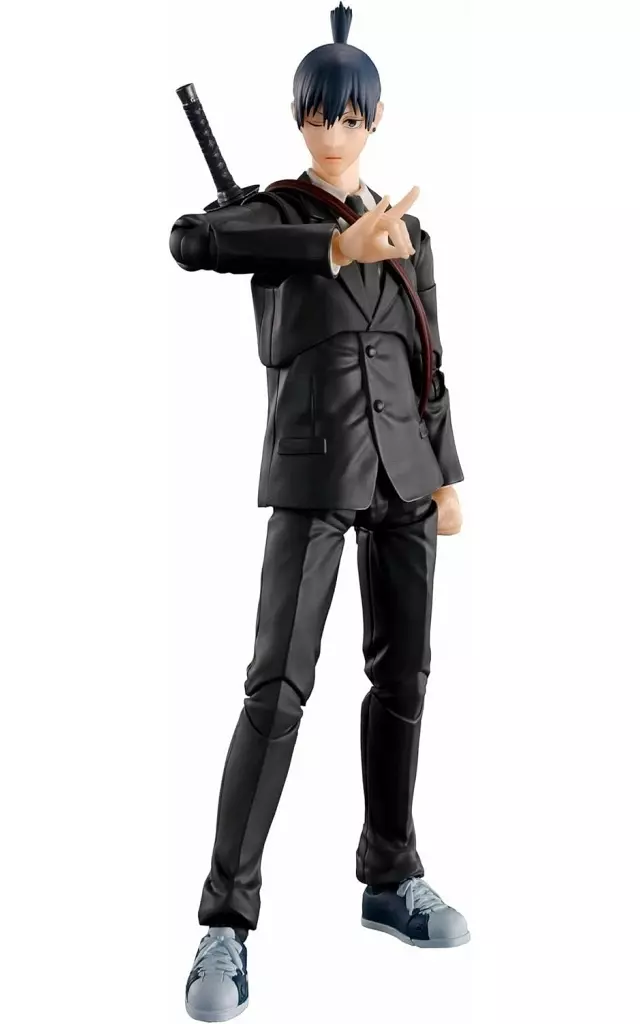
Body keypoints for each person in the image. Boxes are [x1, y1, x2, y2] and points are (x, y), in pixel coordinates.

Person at [171, 4, 469, 1020]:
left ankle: (391, 872)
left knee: (404, 677)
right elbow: (190, 240)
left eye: (347, 116)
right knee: (277, 689)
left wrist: (448, 474)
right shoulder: (271, 217)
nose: (331, 132)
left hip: (404, 479)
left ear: (374, 119)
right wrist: (336, 250)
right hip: (313, 477)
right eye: (316, 115)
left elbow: (430, 360)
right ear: (299, 118)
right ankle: (226, 919)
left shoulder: (411, 232)